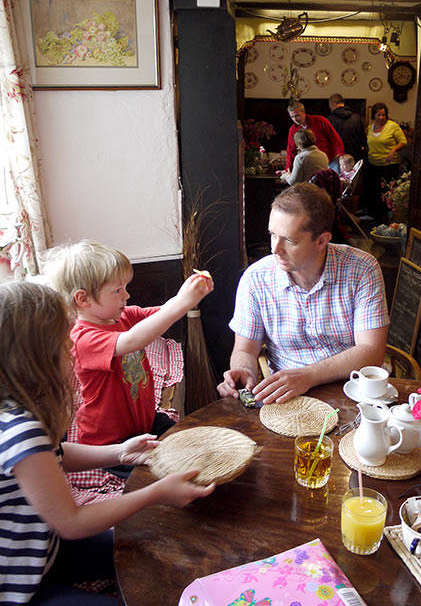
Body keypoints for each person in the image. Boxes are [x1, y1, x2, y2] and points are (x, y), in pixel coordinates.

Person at [0, 281, 214, 605]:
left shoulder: (20, 411)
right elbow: (72, 522)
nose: (71, 351)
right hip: (20, 586)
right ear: (36, 359)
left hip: (45, 550)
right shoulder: (20, 429)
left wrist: (119, 453)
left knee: (153, 548)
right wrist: (157, 493)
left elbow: (55, 454)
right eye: (63, 343)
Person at [46, 241, 213, 470]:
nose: (126, 295)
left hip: (145, 422)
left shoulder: (123, 316)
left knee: (195, 448)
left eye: (125, 286)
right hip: (109, 442)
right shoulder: (82, 338)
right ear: (83, 299)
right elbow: (133, 340)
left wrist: (188, 297)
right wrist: (183, 302)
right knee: (163, 472)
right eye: (117, 290)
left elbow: (162, 313)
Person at [218, 183, 389, 405]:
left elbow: (372, 352)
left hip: (353, 390)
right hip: (290, 399)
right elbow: (245, 350)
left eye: (289, 240)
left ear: (322, 241)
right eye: (272, 235)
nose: (275, 249)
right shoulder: (256, 279)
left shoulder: (362, 269)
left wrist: (308, 376)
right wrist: (243, 370)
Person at [366, 102, 407, 224]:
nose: (381, 118)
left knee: (387, 193)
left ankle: (387, 219)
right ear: (374, 116)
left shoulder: (392, 126)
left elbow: (403, 141)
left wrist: (393, 150)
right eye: (378, 115)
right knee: (374, 191)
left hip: (389, 165)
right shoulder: (370, 127)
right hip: (373, 164)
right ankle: (375, 217)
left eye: (383, 115)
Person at [281, 100, 344, 176]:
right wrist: (288, 170)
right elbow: (291, 151)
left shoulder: (321, 121)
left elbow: (335, 139)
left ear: (303, 112)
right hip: (313, 164)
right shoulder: (292, 130)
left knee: (334, 184)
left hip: (331, 161)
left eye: (297, 115)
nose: (295, 119)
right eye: (292, 117)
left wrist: (341, 156)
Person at [327, 93, 366, 163]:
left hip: (338, 159)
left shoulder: (330, 120)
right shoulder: (357, 117)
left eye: (330, 106)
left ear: (334, 104)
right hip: (355, 158)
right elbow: (363, 138)